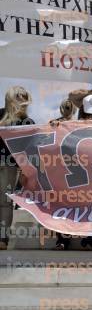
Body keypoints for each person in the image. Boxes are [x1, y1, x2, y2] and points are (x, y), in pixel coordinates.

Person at [54, 94, 92, 250]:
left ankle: (89, 239)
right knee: (66, 203)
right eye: (88, 113)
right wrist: (55, 125)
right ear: (82, 110)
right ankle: (63, 239)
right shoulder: (71, 124)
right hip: (74, 172)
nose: (90, 116)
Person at [0, 87, 35, 250]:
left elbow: (29, 149)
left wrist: (24, 172)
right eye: (19, 96)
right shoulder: (0, 114)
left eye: (24, 96)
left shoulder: (27, 122)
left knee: (5, 203)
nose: (22, 99)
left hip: (11, 167)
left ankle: (2, 238)